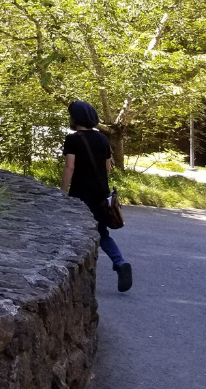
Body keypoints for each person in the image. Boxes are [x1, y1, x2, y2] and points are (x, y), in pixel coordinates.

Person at [62, 101, 132, 292]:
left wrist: (61, 191)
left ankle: (73, 275)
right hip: (101, 194)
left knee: (76, 233)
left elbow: (70, 167)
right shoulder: (103, 138)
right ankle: (120, 262)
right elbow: (107, 167)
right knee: (101, 233)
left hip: (80, 195)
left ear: (75, 118)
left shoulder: (73, 140)